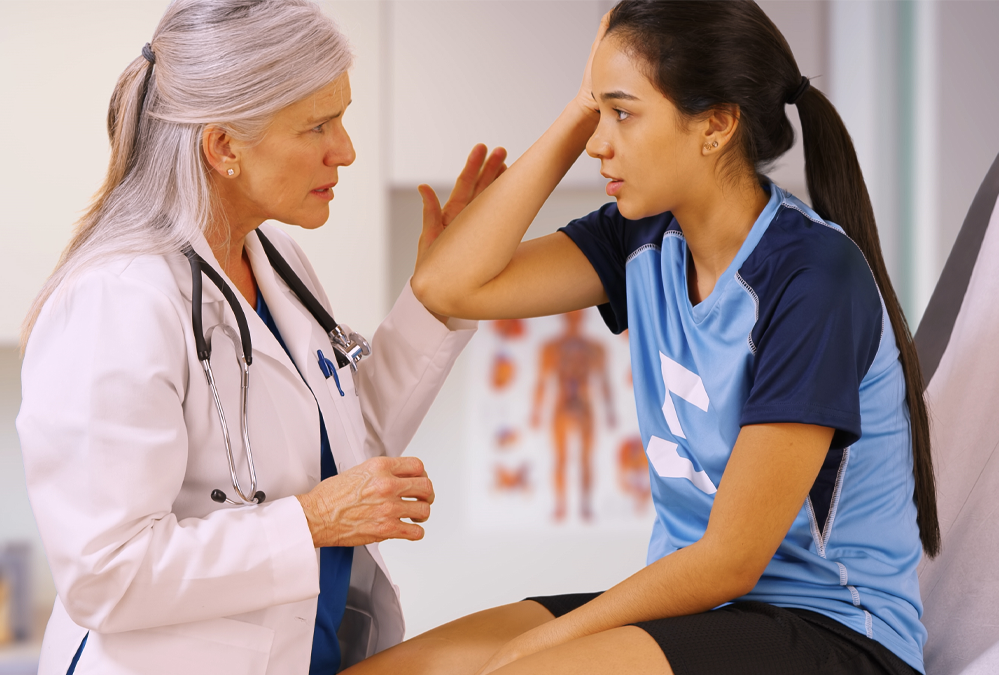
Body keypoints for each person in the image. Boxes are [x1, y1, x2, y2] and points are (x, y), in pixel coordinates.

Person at [354, 1, 939, 673]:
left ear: (716, 124)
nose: (600, 143)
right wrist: (580, 108)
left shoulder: (813, 278)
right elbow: (447, 287)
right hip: (699, 616)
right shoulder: (643, 236)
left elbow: (730, 559)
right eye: (597, 114)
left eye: (622, 114)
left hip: (832, 634)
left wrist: (530, 648)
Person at [15, 2, 504, 674]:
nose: (347, 149)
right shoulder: (118, 297)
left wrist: (436, 298)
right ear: (224, 148)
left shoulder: (274, 260)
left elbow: (340, 449)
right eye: (318, 125)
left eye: (343, 117)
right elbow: (108, 573)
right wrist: (313, 521)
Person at [530, 310, 615, 521]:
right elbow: (542, 381)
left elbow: (604, 382)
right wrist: (536, 411)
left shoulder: (595, 348)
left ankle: (585, 505)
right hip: (562, 404)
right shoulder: (552, 348)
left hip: (584, 405)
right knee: (561, 458)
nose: (574, 319)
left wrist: (610, 411)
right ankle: (561, 505)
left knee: (585, 458)